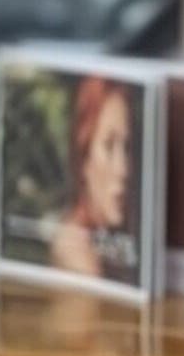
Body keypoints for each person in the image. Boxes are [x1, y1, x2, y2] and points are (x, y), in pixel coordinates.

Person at [50, 74, 135, 281]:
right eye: (108, 145)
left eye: (127, 147)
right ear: (84, 158)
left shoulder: (108, 241)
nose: (123, 169)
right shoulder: (78, 255)